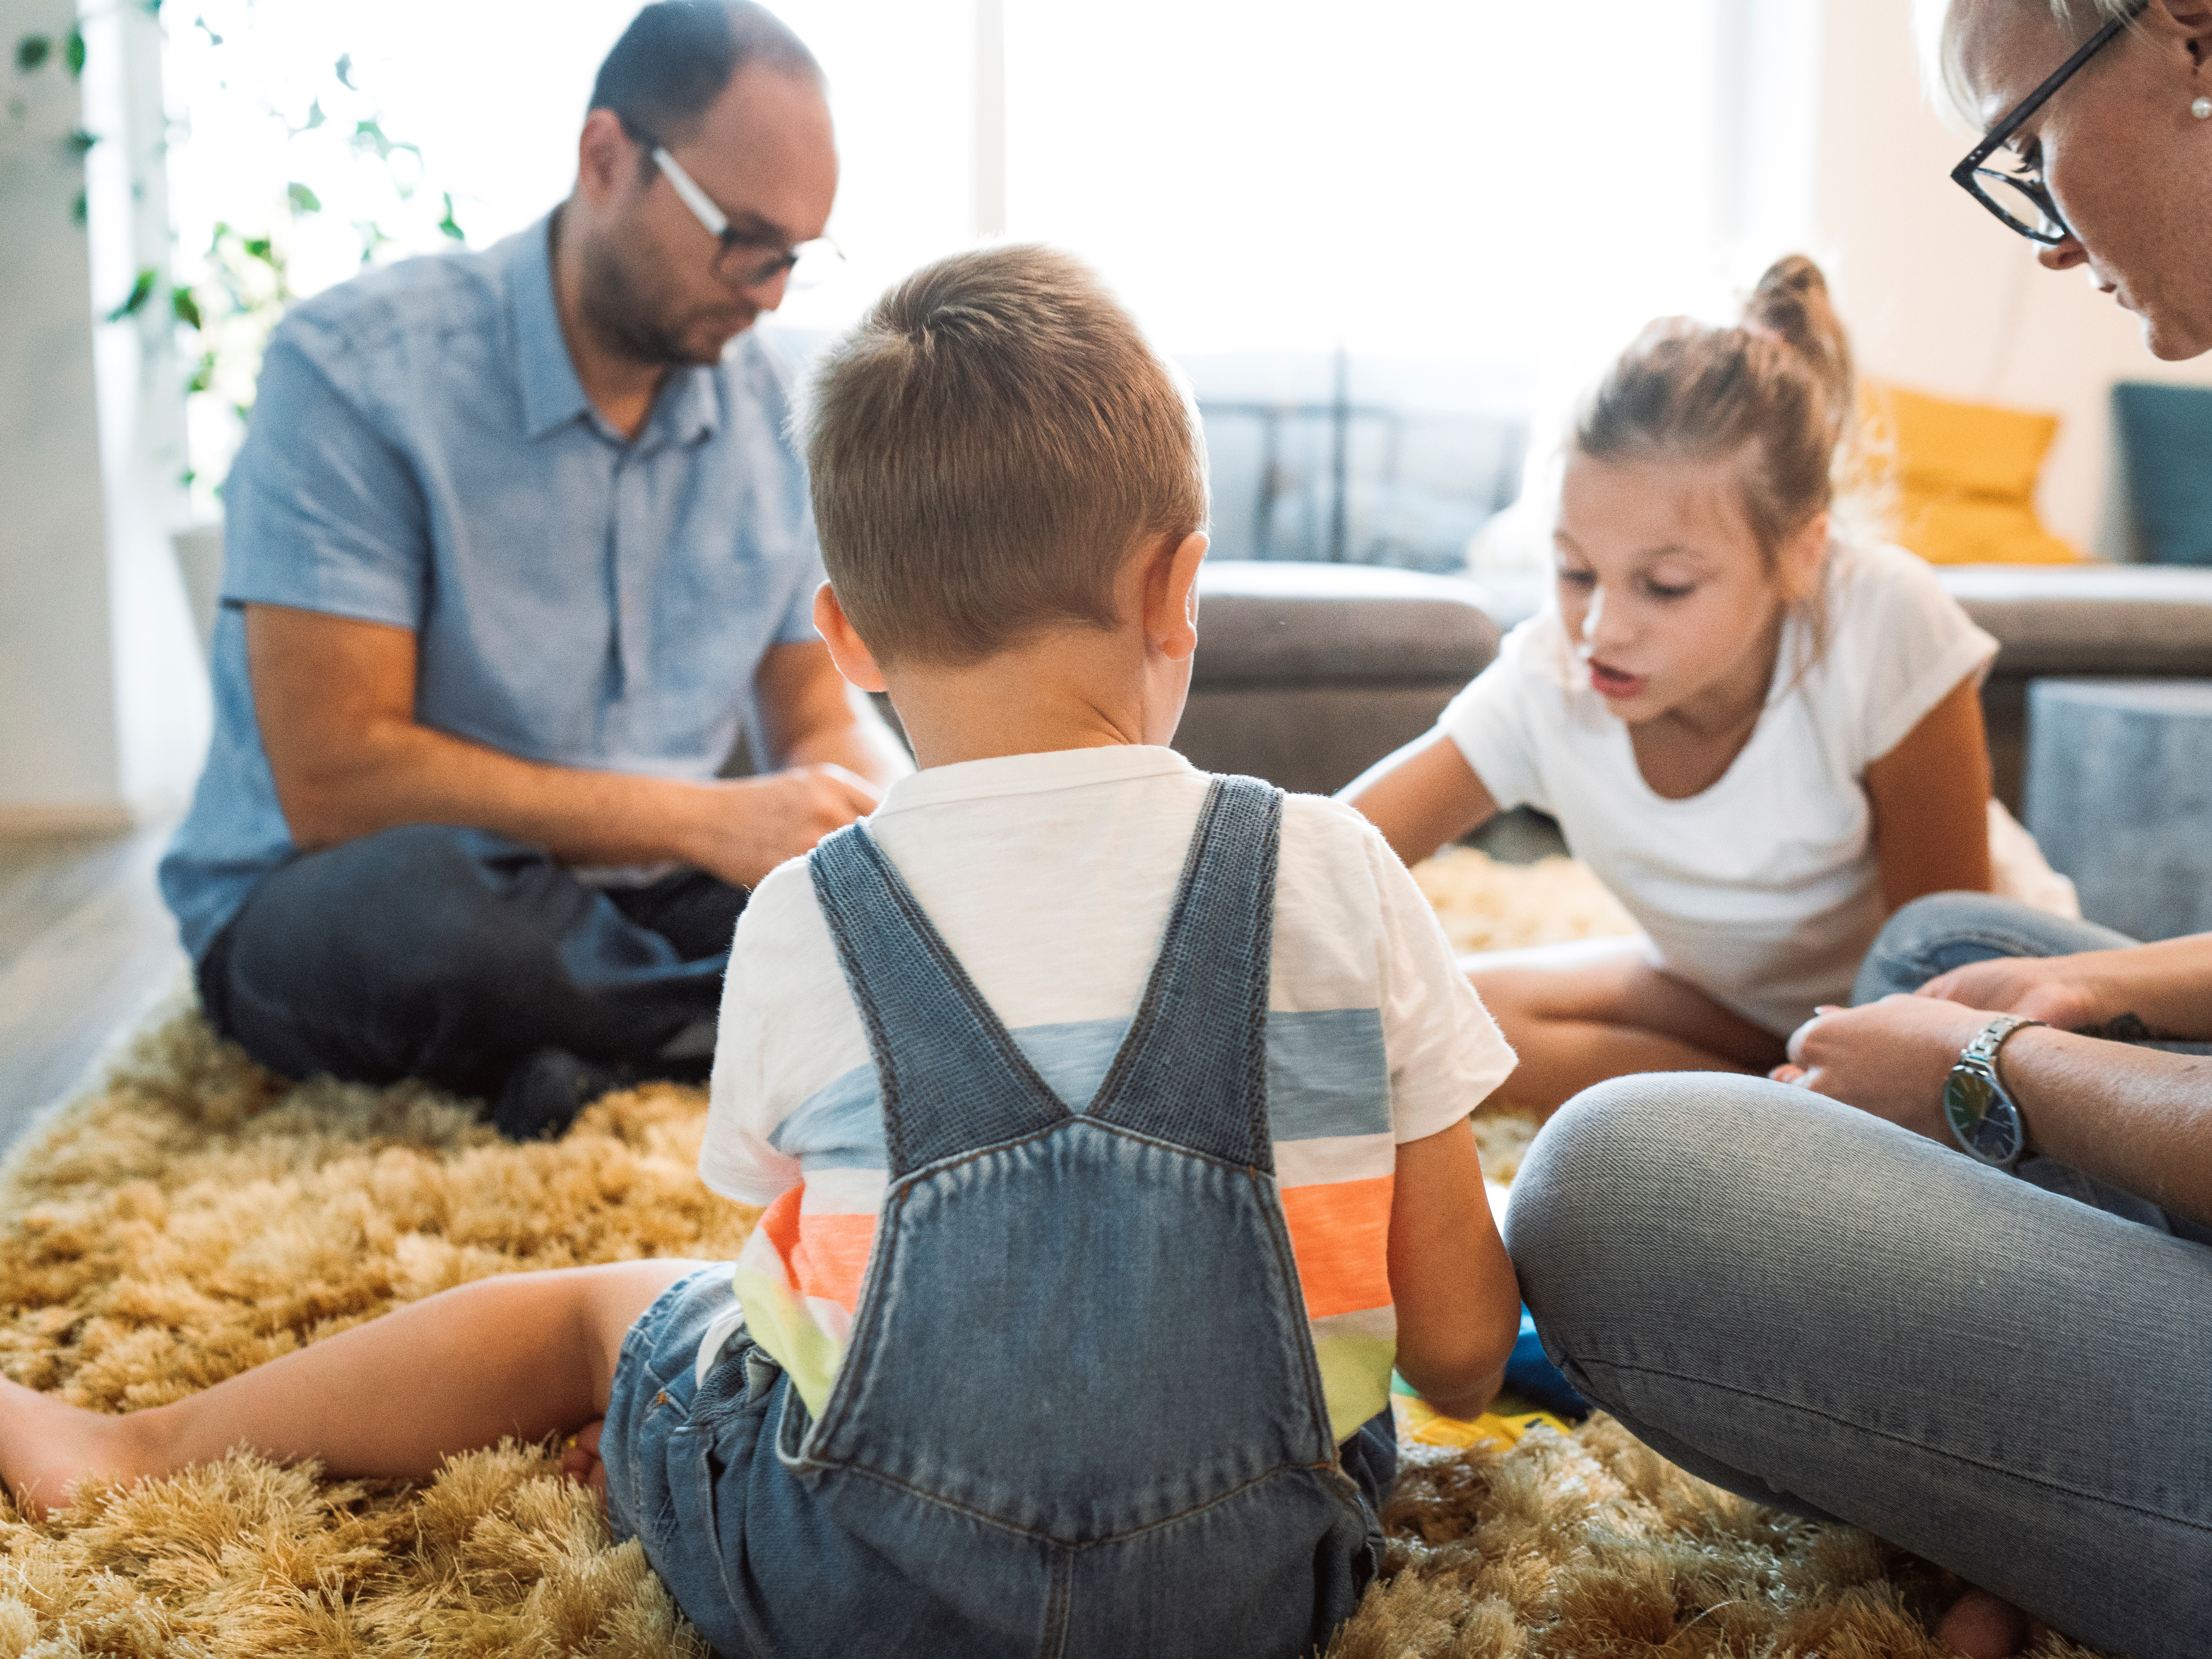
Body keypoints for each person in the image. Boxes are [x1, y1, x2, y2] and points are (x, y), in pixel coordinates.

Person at [5, 246, 1525, 1656]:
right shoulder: (1339, 866)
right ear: (1177, 587)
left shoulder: (812, 908)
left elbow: (796, 1296)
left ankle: (130, 1448)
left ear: (847, 640)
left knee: (608, 1309)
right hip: (1255, 1594)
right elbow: (1460, 1352)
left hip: (854, 1592)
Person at [1505, 5, 2212, 1655]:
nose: (2042, 240)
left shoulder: (1885, 629)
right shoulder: (1539, 683)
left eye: (2027, 145)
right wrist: (2094, 1003)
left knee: (1612, 1187)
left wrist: (1999, 1081)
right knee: (1951, 950)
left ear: (2187, 33)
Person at [157, 1, 909, 1137]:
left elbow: (813, 715)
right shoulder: (355, 374)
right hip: (350, 885)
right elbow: (336, 781)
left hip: (643, 895)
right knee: (450, 927)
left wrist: (898, 844)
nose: (764, 291)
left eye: (792, 260)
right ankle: (741, 1036)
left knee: (863, 923)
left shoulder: (773, 411)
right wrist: (698, 821)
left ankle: (618, 1057)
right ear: (605, 159)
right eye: (741, 239)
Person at [1344, 256, 2066, 1115]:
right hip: (1729, 1001)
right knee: (1413, 1025)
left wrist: (1870, 1076)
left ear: (1800, 553)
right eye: (1575, 571)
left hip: (1957, 1011)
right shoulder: (1550, 672)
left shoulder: (1880, 616)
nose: (1602, 629)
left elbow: (1940, 971)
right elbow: (1331, 854)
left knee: (1946, 1073)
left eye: (1667, 586)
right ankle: (1770, 1106)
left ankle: (1775, 1111)